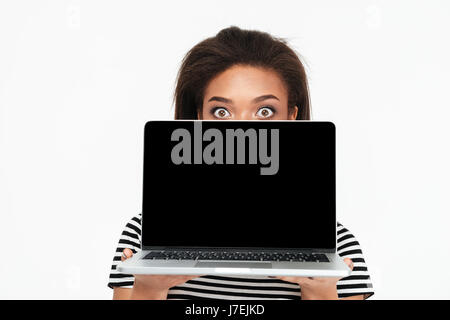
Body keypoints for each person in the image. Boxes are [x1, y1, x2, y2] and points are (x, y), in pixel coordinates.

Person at [108, 26, 374, 300]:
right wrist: (149, 289)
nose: (243, 131)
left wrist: (320, 293)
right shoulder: (145, 235)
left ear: (291, 117)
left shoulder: (337, 246)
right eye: (221, 112)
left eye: (265, 111)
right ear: (199, 118)